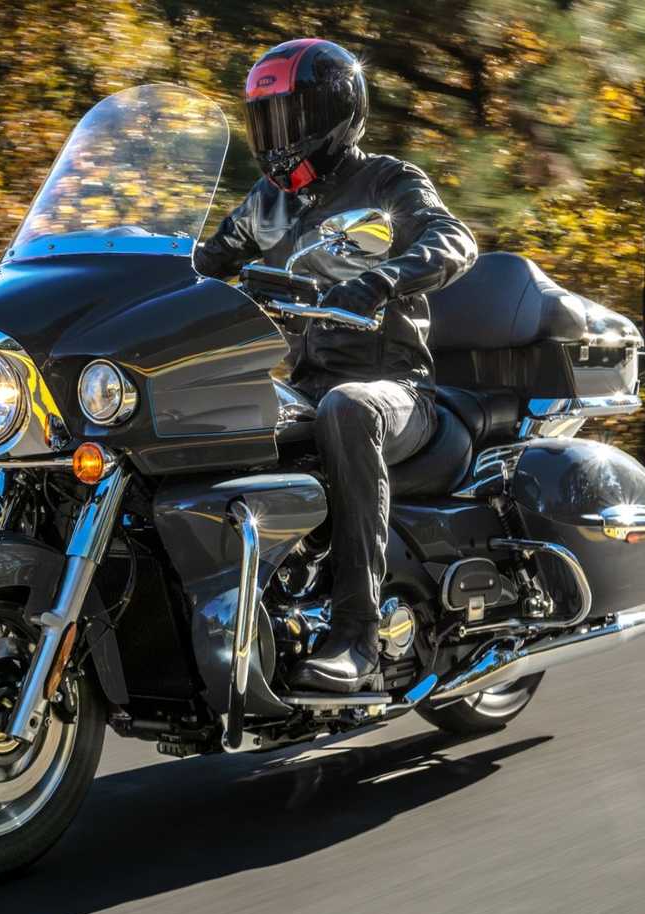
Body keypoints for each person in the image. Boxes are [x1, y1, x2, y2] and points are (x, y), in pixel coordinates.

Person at [193, 38, 477, 693]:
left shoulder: (387, 181)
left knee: (347, 408)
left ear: (335, 113)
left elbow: (453, 240)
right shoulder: (271, 205)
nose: (275, 136)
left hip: (397, 392)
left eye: (288, 118)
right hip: (297, 386)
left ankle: (358, 636)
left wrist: (383, 280)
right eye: (264, 120)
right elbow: (205, 261)